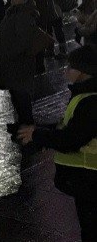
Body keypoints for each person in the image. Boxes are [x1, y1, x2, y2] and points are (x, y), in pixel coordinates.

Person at [16, 45, 97, 242]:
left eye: (71, 67)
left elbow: (72, 138)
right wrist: (39, 131)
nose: (66, 70)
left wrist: (39, 136)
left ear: (85, 72)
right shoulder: (85, 96)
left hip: (90, 179)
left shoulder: (90, 101)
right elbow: (69, 127)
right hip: (88, 180)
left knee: (91, 228)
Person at [0, 0, 43, 127]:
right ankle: (21, 122)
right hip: (11, 61)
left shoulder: (24, 15)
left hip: (19, 62)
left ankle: (27, 124)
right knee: (15, 93)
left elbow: (23, 41)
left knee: (21, 94)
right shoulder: (13, 12)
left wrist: (9, 54)